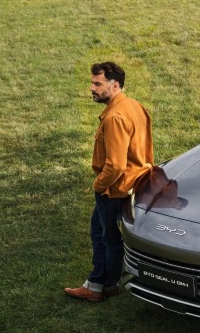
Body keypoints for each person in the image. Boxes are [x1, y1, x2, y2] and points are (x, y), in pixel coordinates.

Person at [65, 61, 153, 303]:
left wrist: (99, 185)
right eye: (92, 83)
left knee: (105, 238)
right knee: (107, 234)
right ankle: (107, 284)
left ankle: (98, 286)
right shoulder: (134, 106)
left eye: (97, 84)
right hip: (135, 182)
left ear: (114, 86)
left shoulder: (114, 117)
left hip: (114, 188)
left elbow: (115, 166)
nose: (92, 88)